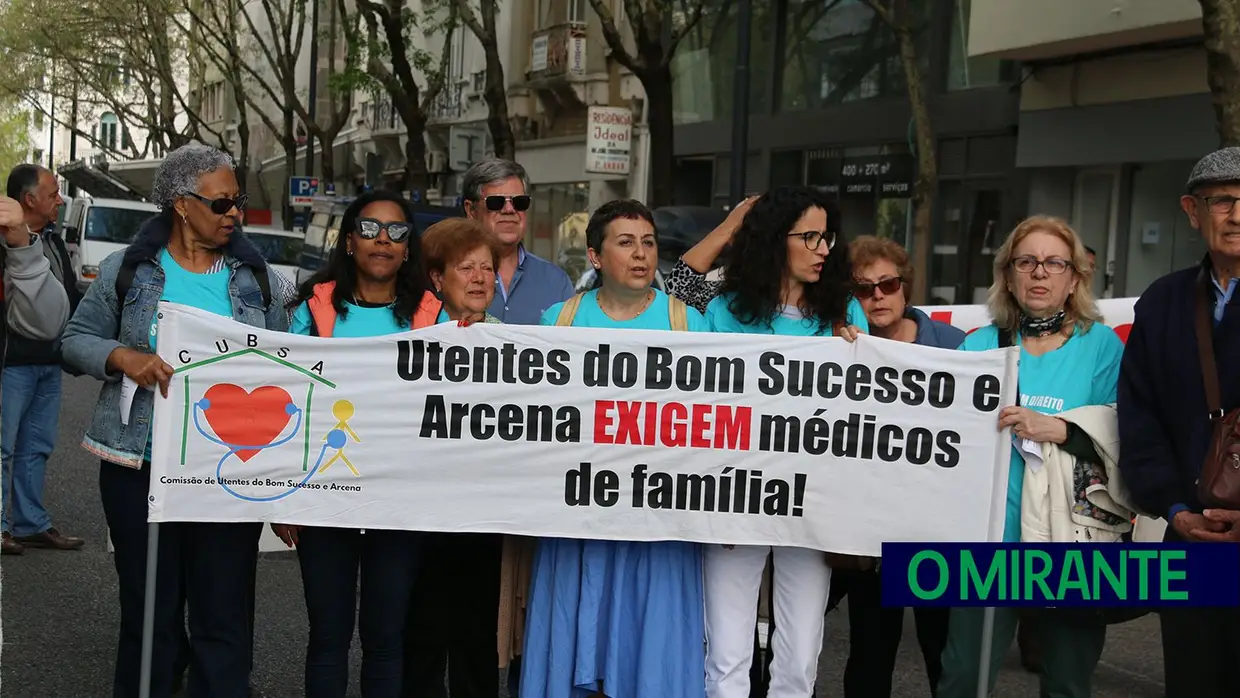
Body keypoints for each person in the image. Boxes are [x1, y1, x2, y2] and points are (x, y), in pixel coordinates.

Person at [61, 143, 295, 698]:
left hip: (230, 469)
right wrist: (123, 358)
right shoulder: (129, 270)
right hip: (140, 464)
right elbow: (75, 341)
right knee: (150, 611)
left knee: (223, 613)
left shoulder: (258, 279)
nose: (235, 211)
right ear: (181, 204)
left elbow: (289, 360)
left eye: (237, 201)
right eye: (223, 202)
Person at [519, 199, 708, 698]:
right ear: (596, 257)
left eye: (648, 243)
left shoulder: (689, 324)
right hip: (577, 516)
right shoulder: (557, 320)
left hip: (658, 519)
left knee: (648, 647)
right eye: (626, 243)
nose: (641, 254)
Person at [406, 159, 573, 698]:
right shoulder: (407, 334)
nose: (479, 278)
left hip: (492, 497)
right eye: (466, 269)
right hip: (420, 501)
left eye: (519, 202)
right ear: (438, 278)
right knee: (424, 627)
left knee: (482, 630)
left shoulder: (513, 327)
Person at [936, 215, 1123, 698]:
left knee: (1066, 682)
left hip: (1072, 544)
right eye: (1027, 262)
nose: (1040, 273)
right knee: (961, 679)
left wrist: (1060, 429)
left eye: (1054, 263)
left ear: (1074, 277)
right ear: (1008, 274)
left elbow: (1122, 435)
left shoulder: (1101, 345)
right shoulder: (979, 346)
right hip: (987, 545)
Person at [270, 191, 439, 698]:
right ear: (348, 241)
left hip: (399, 501)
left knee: (386, 639)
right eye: (369, 230)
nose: (382, 241)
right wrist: (283, 495)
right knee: (328, 636)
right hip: (323, 496)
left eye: (396, 232)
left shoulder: (435, 315)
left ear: (409, 248)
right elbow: (286, 402)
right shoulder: (309, 311)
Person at [700, 186, 865, 698]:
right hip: (735, 492)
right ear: (775, 240)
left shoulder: (846, 314)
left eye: (827, 237)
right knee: (726, 652)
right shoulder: (721, 308)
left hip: (814, 500)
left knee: (800, 654)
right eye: (809, 236)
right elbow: (697, 393)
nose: (823, 248)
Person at [1117, 147, 1240, 697]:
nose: (1237, 215)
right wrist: (1174, 508)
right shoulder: (1164, 302)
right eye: (1223, 202)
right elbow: (1140, 417)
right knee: (1192, 681)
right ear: (1193, 211)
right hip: (1190, 537)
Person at [838, 235, 960, 698]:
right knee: (870, 651)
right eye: (862, 288)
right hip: (869, 527)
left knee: (942, 650)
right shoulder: (837, 347)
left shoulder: (954, 346)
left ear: (905, 286)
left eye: (886, 284)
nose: (876, 297)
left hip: (936, 527)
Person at [1, 166, 84, 556]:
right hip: (11, 363)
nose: (60, 200)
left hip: (48, 361)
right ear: (29, 199)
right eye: (53, 193)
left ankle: (30, 523)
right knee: (3, 447)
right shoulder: (6, 241)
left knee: (36, 446)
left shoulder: (51, 240)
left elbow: (66, 297)